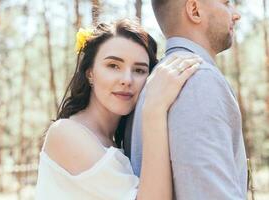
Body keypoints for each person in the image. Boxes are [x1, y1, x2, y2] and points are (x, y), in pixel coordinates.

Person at [35, 19, 201, 200]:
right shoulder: (66, 133)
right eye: (113, 66)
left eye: (139, 70)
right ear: (90, 73)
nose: (127, 79)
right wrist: (154, 109)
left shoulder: (115, 141)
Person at [126, 0, 248, 199]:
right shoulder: (198, 79)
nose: (236, 14)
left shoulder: (157, 80)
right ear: (194, 10)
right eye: (226, 3)